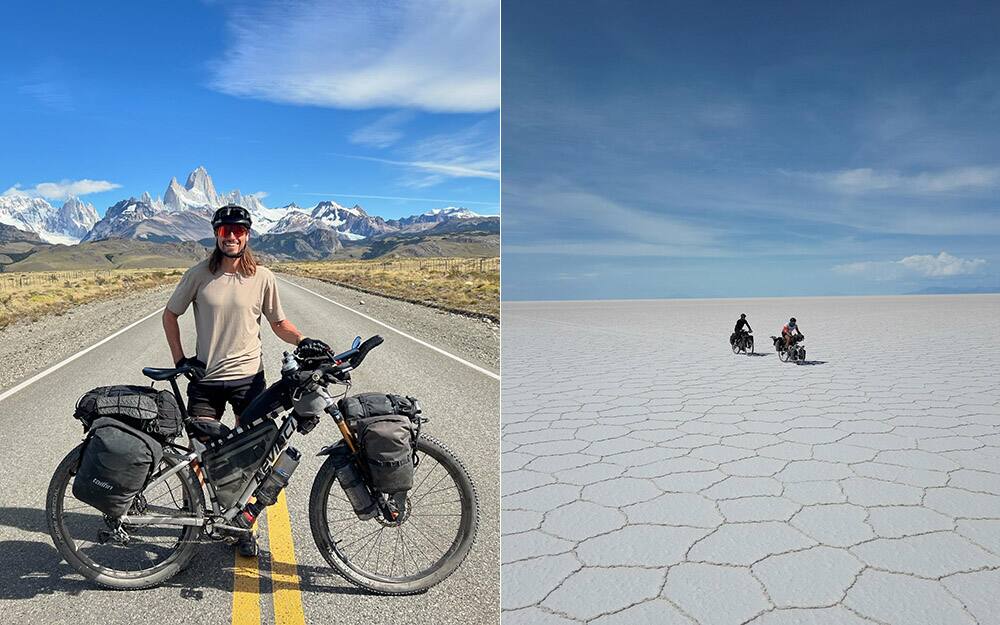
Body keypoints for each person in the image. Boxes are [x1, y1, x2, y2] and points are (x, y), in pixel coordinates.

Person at [162, 204, 328, 557]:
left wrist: (302, 341)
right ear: (216, 234)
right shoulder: (198, 275)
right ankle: (197, 518)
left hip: (248, 381)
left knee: (251, 461)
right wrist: (180, 361)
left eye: (238, 231)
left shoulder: (262, 277)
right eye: (225, 231)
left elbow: (278, 323)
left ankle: (242, 528)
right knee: (201, 458)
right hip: (204, 380)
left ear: (247, 235)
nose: (232, 236)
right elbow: (170, 315)